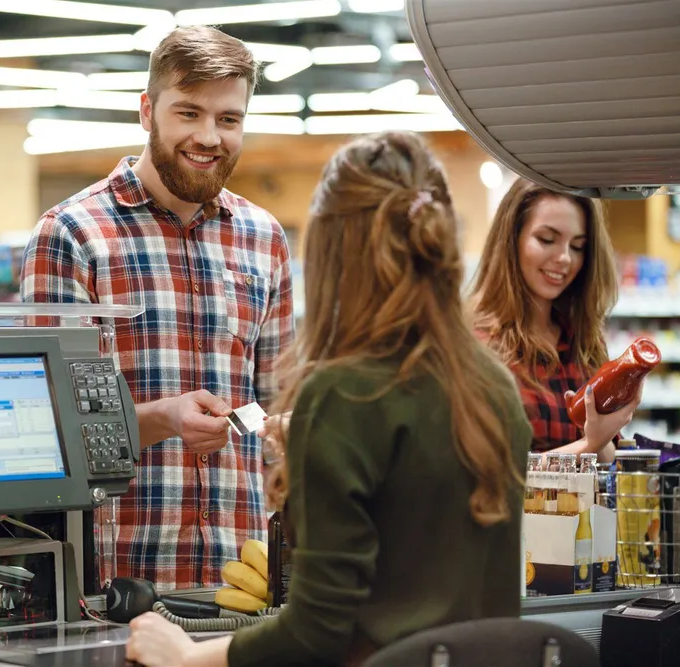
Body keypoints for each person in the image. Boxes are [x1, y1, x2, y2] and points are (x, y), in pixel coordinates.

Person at [126, 132, 532, 667]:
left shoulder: (340, 395)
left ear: (333, 250)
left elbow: (316, 632)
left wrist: (181, 656)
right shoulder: (493, 385)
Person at [20, 26, 295, 591]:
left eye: (228, 119)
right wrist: (163, 419)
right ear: (147, 112)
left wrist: (287, 428)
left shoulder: (264, 239)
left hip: (241, 576)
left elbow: (273, 404)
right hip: (113, 577)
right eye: (188, 113)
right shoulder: (73, 234)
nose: (209, 136)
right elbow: (45, 428)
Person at [470, 177, 637, 462]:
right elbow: (490, 474)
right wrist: (588, 445)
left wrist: (609, 433)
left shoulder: (583, 341)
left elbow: (607, 459)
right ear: (512, 240)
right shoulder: (478, 346)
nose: (564, 258)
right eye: (546, 239)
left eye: (577, 246)